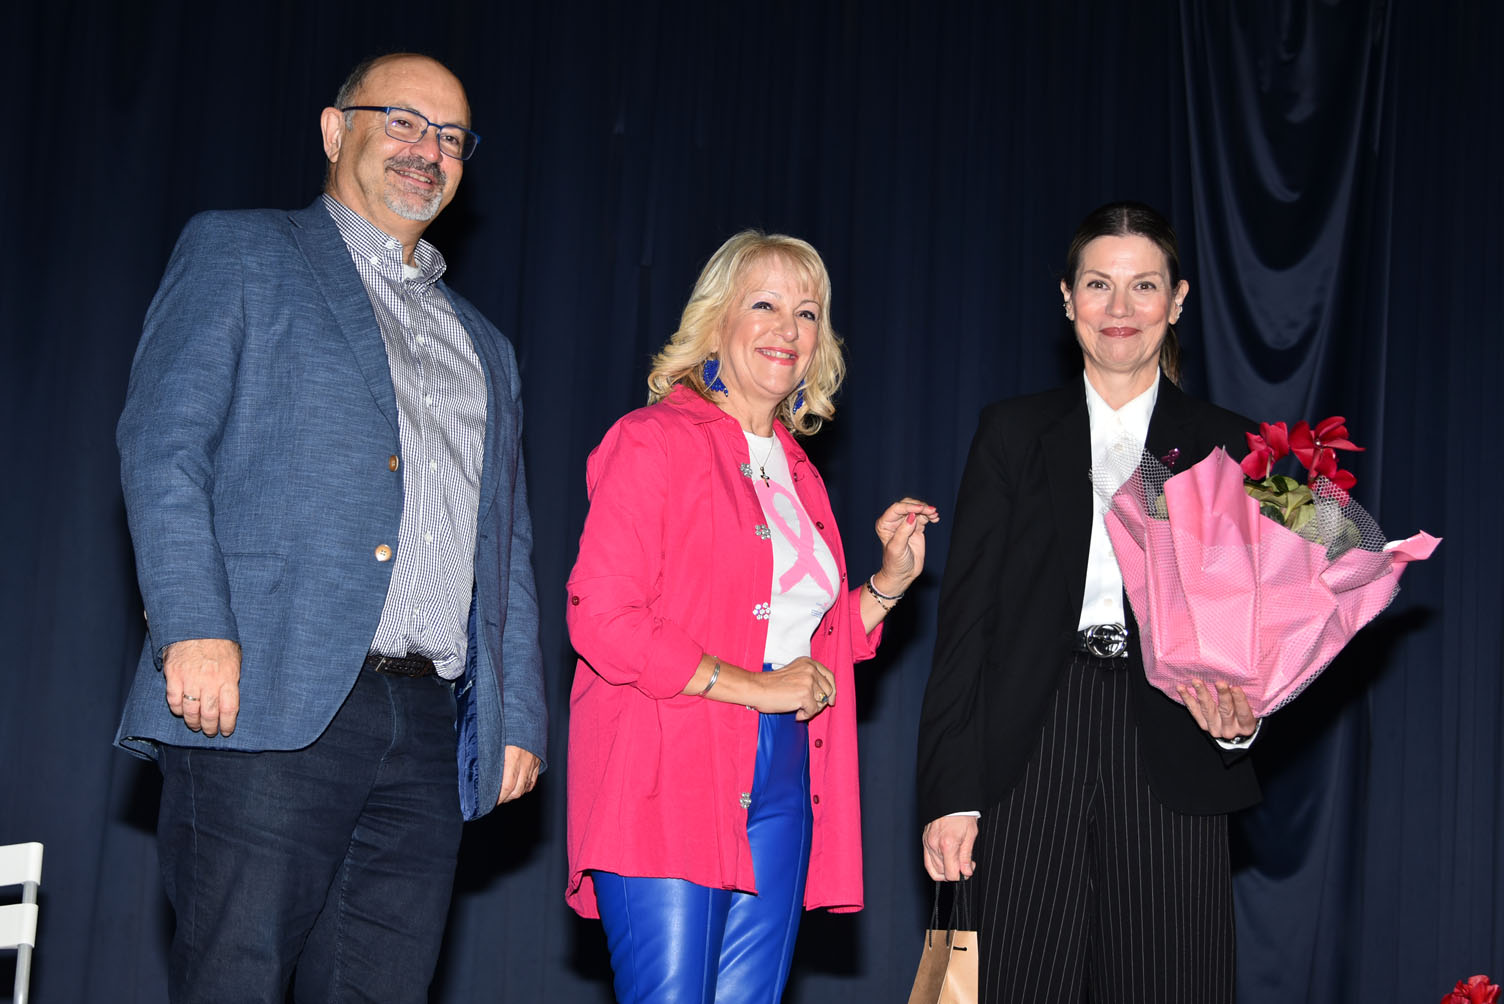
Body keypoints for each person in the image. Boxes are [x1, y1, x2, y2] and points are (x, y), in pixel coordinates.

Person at [114, 53, 546, 1002]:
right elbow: (162, 446)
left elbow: (504, 542)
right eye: (403, 122)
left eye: (451, 137)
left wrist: (514, 711)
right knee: (234, 981)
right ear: (333, 128)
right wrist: (192, 624)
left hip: (427, 721)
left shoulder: (486, 345)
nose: (427, 150)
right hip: (264, 694)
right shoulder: (241, 251)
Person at [565, 230, 937, 1002]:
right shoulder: (651, 440)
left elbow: (807, 644)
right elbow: (600, 617)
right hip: (668, 763)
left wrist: (887, 585)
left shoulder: (800, 475)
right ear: (715, 323)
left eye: (807, 313)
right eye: (764, 304)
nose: (788, 328)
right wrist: (756, 687)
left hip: (783, 777)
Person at [916, 201, 1262, 1002]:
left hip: (1176, 739)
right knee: (1018, 983)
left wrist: (1244, 716)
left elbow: (1272, 613)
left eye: (1144, 286)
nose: (1120, 308)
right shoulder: (1011, 433)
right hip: (1030, 746)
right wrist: (950, 794)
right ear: (1068, 298)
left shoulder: (1231, 444)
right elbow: (966, 626)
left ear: (1177, 300)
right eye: (1099, 284)